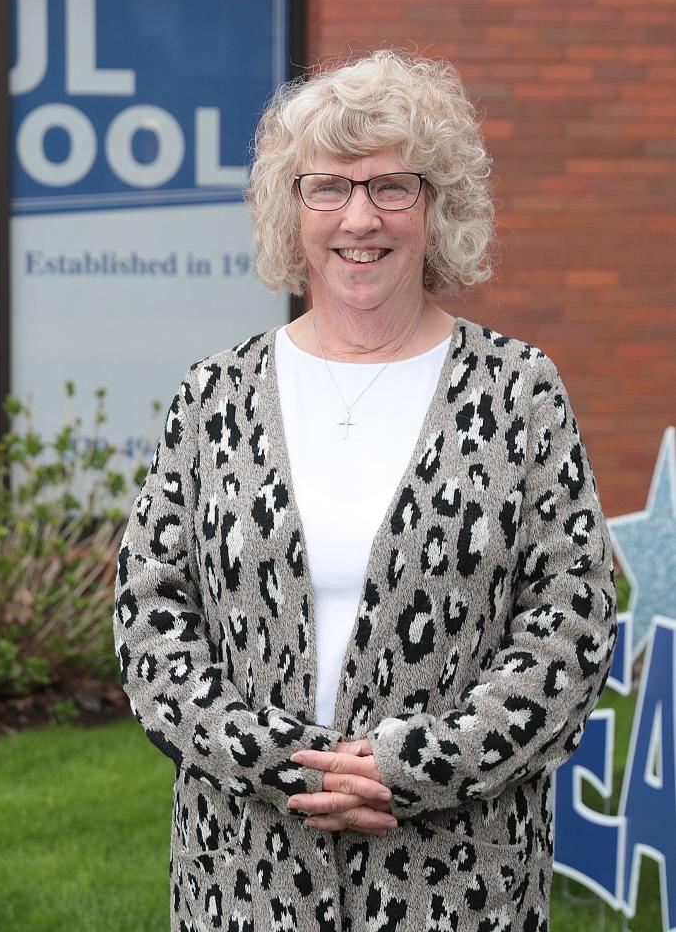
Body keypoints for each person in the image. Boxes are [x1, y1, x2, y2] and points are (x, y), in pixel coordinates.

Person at [112, 49, 617, 932]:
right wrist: (284, 761)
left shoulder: (518, 391)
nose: (359, 218)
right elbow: (152, 622)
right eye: (327, 188)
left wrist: (415, 763)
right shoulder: (214, 397)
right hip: (245, 872)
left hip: (460, 885)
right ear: (290, 208)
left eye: (391, 187)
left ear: (437, 206)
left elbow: (572, 622)